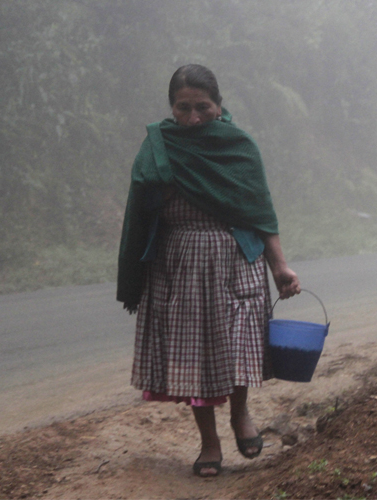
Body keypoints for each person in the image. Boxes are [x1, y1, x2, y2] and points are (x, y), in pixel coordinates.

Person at [116, 64, 301, 477]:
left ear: (219, 105)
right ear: (171, 108)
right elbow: (139, 210)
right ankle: (209, 442)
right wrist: (160, 192)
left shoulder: (239, 147)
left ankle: (240, 413)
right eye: (183, 108)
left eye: (203, 107)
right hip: (177, 264)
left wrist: (280, 267)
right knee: (192, 353)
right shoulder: (158, 146)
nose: (193, 118)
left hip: (236, 261)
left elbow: (261, 211)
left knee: (237, 346)